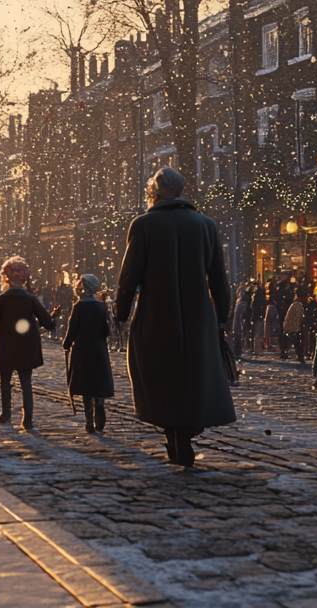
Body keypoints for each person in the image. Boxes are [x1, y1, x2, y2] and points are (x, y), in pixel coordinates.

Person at [114, 168, 235, 468]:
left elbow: (129, 275)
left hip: (156, 314)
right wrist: (222, 316)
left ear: (154, 192)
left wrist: (121, 310)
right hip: (199, 317)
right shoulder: (207, 225)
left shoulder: (143, 224)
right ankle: (187, 428)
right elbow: (219, 278)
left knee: (159, 375)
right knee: (196, 374)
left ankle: (173, 430)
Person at [0, 257, 57, 430]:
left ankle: (6, 413)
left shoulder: (2, 299)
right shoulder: (30, 299)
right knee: (26, 382)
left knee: (5, 380)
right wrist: (47, 322)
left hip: (7, 344)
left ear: (5, 278)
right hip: (27, 345)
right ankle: (27, 419)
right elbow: (48, 322)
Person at [63, 274, 114, 434]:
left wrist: (67, 342)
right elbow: (106, 331)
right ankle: (99, 409)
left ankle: (89, 423)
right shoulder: (100, 307)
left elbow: (73, 328)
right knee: (97, 383)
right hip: (98, 349)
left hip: (83, 349)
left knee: (86, 387)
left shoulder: (79, 306)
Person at [282, 293, 305, 363]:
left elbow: (288, 317)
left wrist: (286, 326)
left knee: (296, 341)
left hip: (293, 326)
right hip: (299, 326)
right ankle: (300, 355)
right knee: (299, 341)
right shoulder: (301, 306)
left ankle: (299, 355)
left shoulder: (293, 305)